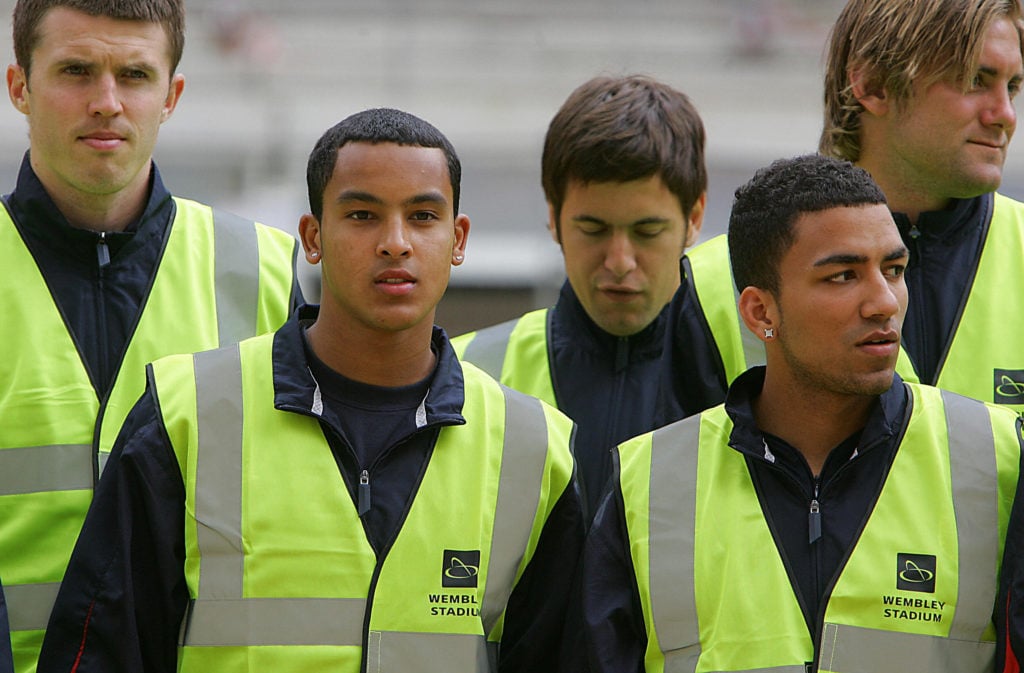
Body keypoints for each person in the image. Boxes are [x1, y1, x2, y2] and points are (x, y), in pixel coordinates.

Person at [37, 108, 585, 673]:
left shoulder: (533, 449)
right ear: (313, 236)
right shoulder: (186, 415)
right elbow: (103, 650)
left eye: (423, 216)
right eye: (362, 215)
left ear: (458, 238)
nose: (395, 243)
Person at [579, 154, 1023, 672]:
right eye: (843, 276)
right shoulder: (646, 485)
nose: (884, 302)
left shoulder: (999, 459)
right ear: (760, 312)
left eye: (894, 270)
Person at [0, 1, 301, 670]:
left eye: (133, 75)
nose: (106, 101)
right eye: (77, 70)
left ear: (171, 95)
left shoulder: (268, 272)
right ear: (19, 86)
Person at [452, 74, 724, 513]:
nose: (619, 261)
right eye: (593, 229)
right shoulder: (460, 376)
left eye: (647, 231)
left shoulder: (752, 384)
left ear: (694, 217)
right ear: (554, 217)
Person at [819, 0, 1024, 411]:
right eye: (974, 80)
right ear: (874, 85)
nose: (1005, 114)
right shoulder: (722, 280)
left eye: (1013, 87)